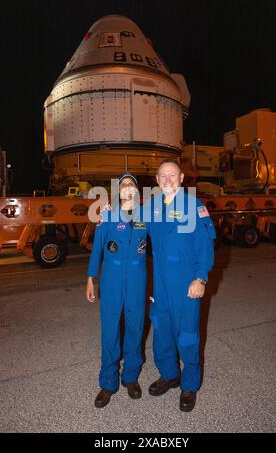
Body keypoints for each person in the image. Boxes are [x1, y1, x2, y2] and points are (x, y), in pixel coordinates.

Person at [147, 159, 216, 412]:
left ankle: (189, 384)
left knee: (187, 333)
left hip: (185, 282)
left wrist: (201, 278)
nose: (167, 180)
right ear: (156, 180)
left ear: (182, 178)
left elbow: (205, 245)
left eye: (172, 175)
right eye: (162, 176)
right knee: (162, 329)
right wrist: (109, 221)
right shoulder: (152, 207)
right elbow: (134, 230)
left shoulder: (194, 206)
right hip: (160, 283)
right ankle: (169, 374)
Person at [86, 173, 148, 408]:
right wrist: (91, 278)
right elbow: (96, 251)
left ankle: (130, 378)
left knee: (135, 327)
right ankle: (108, 382)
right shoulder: (108, 216)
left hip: (137, 278)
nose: (128, 188)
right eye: (124, 185)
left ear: (137, 190)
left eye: (132, 184)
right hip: (111, 278)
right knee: (110, 330)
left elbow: (164, 239)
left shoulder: (146, 216)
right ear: (118, 190)